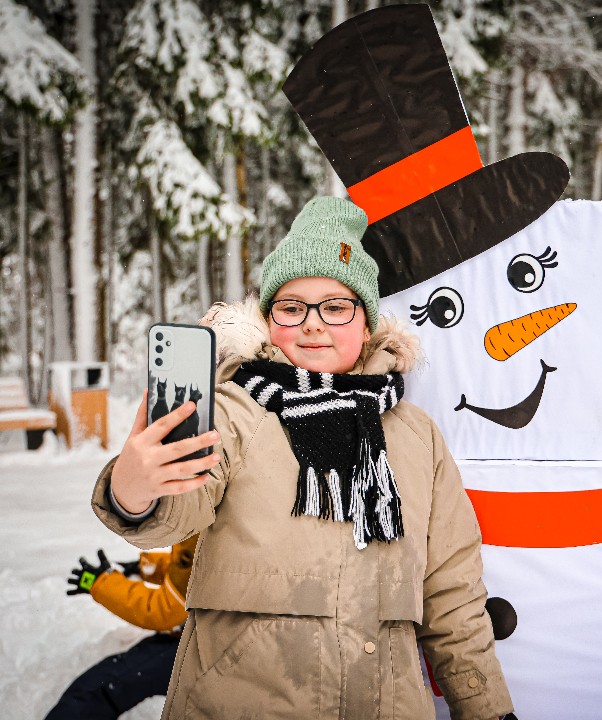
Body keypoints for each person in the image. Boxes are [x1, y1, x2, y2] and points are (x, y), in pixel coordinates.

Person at [91, 196, 512, 720]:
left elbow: (452, 593)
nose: (313, 324)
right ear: (269, 319)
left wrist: (486, 708)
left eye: (336, 306)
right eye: (292, 307)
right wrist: (134, 489)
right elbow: (178, 510)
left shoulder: (416, 435)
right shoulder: (232, 409)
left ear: (367, 321)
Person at [45, 537, 198, 720]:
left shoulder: (205, 520)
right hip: (220, 639)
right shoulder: (224, 520)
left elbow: (163, 610)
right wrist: (145, 567)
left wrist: (100, 583)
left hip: (202, 649)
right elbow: (197, 570)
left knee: (95, 691)